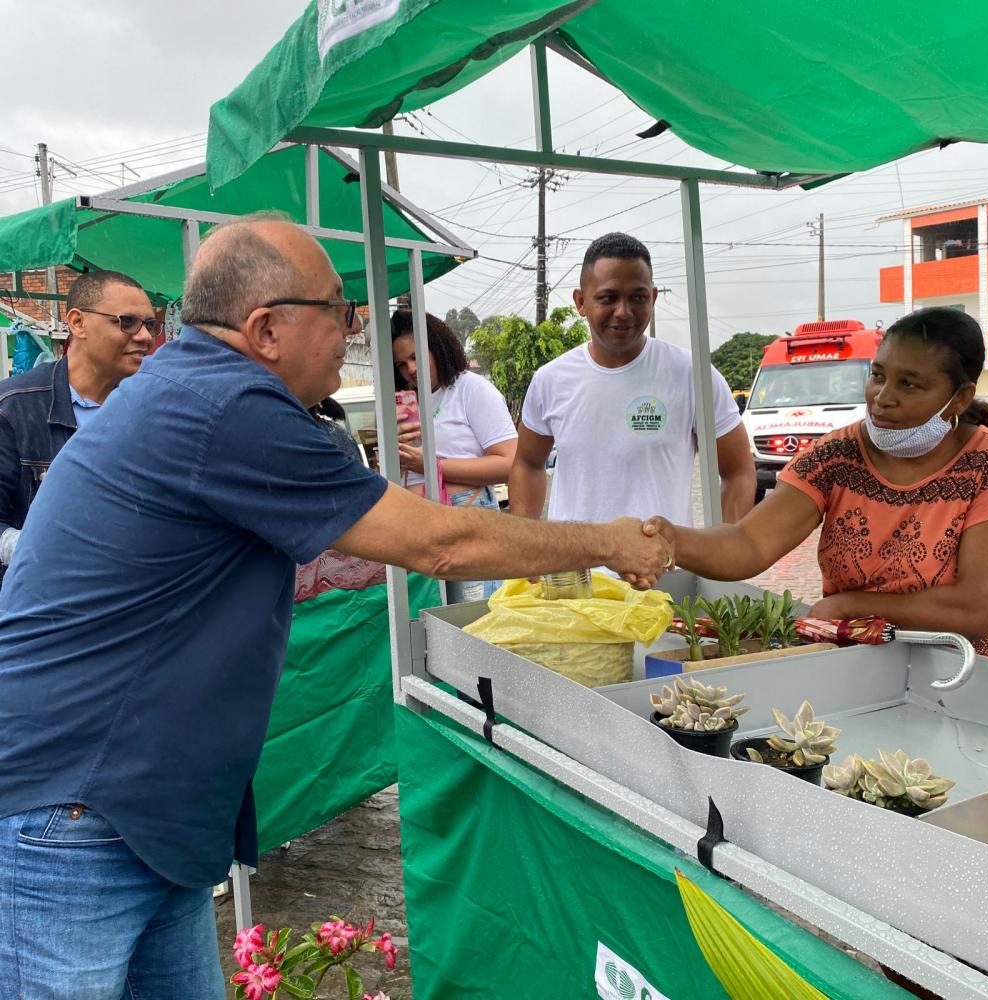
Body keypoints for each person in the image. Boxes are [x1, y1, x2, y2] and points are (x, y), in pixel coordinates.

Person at [0, 215, 673, 999]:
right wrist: (608, 542)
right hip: (79, 810)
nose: (353, 329)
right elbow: (441, 544)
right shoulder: (226, 406)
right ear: (267, 328)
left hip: (146, 812)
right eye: (340, 311)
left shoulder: (194, 389)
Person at [664, 306, 988, 656]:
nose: (882, 398)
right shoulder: (836, 456)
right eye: (878, 376)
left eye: (910, 384)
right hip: (855, 664)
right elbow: (749, 542)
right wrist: (666, 540)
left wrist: (848, 606)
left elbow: (977, 607)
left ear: (959, 398)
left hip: (968, 676)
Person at [508, 232, 756, 531]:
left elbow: (739, 471)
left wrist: (720, 556)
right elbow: (527, 464)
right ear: (581, 301)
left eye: (637, 298)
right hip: (578, 573)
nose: (623, 312)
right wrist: (528, 545)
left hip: (664, 575)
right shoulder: (550, 380)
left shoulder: (693, 375)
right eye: (608, 298)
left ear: (652, 297)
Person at [0, 269, 155, 578]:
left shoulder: (153, 406)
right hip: (41, 607)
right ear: (77, 322)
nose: (145, 337)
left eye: (150, 324)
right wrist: (55, 549)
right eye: (127, 322)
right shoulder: (14, 408)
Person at [391, 308, 518, 601]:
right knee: (438, 625)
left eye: (415, 356)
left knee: (471, 623)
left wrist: (433, 465)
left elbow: (510, 462)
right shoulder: (411, 401)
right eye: (400, 364)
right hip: (421, 526)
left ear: (438, 346)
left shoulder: (470, 389)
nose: (410, 369)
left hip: (466, 516)